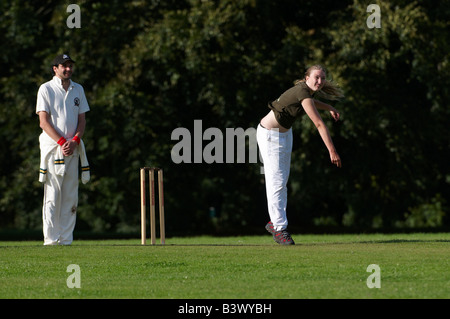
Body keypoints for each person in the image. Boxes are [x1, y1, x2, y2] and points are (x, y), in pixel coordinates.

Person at [257, 65, 344, 245]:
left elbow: (310, 103)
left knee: (282, 181)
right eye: (316, 78)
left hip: (284, 134)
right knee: (276, 182)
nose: (320, 82)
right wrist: (332, 150)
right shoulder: (302, 92)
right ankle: (279, 229)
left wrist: (328, 106)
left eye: (322, 78)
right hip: (270, 135)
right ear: (306, 78)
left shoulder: (307, 94)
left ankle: (275, 223)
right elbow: (319, 125)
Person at [36, 54, 90, 245]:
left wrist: (74, 140)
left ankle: (66, 239)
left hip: (73, 149)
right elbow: (43, 121)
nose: (68, 69)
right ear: (55, 68)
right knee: (52, 195)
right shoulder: (46, 88)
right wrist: (62, 142)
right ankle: (51, 240)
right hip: (54, 149)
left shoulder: (78, 89)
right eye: (63, 66)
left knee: (70, 195)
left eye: (70, 66)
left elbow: (82, 120)